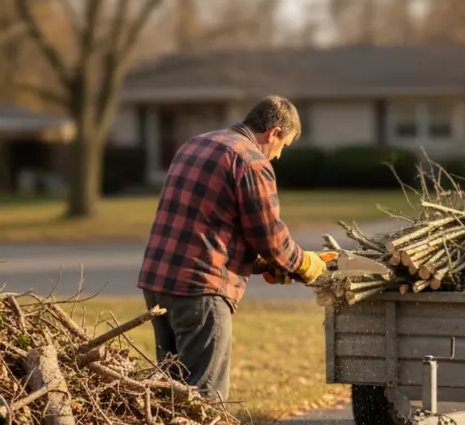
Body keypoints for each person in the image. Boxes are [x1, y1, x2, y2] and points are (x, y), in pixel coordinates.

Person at [137, 96, 330, 403]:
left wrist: (261, 264)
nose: (279, 156)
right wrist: (305, 264)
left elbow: (208, 225)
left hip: (159, 282)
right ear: (274, 133)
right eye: (284, 146)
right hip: (200, 291)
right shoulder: (251, 160)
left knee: (170, 392)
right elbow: (270, 237)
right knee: (204, 398)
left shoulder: (196, 144)